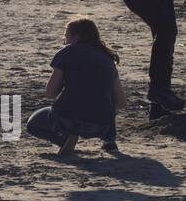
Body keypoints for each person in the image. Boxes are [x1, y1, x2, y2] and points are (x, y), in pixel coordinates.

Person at [25, 18, 126, 155]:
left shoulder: (67, 52)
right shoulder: (107, 58)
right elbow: (121, 103)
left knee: (33, 123)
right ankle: (109, 141)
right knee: (105, 102)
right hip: (100, 124)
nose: (65, 41)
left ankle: (65, 138)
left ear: (76, 37)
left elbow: (50, 93)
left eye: (66, 36)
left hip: (68, 119)